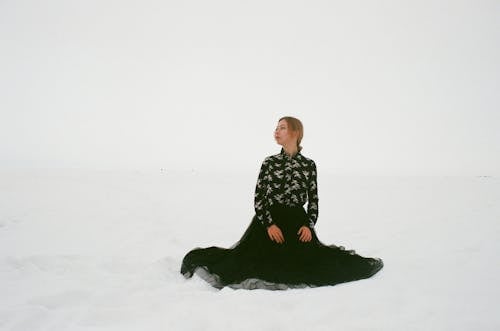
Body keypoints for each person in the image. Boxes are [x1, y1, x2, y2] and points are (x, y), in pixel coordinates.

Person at [180, 116, 384, 290]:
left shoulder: (309, 165)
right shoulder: (269, 162)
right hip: (269, 224)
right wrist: (269, 224)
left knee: (315, 266)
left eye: (282, 127)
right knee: (247, 264)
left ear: (295, 132)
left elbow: (313, 200)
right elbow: (259, 197)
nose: (276, 131)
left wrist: (308, 225)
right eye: (276, 128)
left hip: (298, 225)